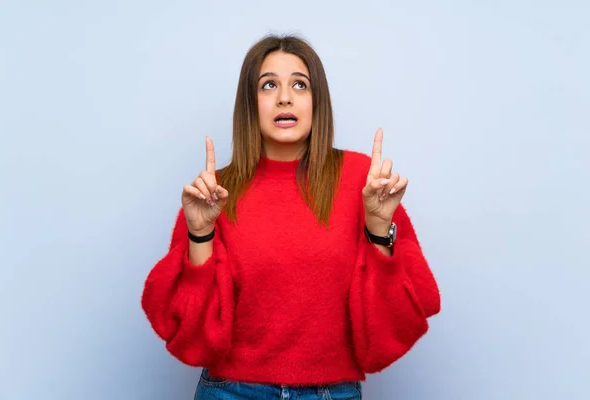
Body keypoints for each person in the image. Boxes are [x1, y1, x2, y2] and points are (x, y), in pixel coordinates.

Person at [141, 34, 441, 400]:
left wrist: (379, 229)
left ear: (318, 102)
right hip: (231, 392)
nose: (285, 97)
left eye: (300, 84)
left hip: (333, 393)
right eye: (269, 85)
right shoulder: (213, 192)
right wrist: (200, 234)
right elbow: (192, 337)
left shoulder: (364, 181)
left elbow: (396, 324)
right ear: (251, 103)